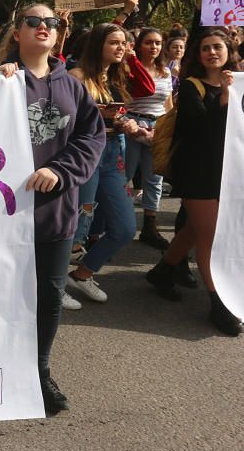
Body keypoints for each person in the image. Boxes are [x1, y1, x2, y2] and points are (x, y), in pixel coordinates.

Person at [0, 4, 105, 415]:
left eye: (50, 23)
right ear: (17, 32)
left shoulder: (73, 87)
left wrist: (60, 170)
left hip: (55, 214)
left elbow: (91, 138)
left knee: (50, 296)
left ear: (59, 34)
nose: (43, 27)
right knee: (0, 295)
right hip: (2, 216)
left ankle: (39, 373)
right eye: (33, 22)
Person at [146, 29, 241, 335]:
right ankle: (218, 303)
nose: (212, 52)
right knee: (209, 238)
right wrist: (225, 97)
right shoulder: (190, 87)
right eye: (205, 49)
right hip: (198, 172)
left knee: (194, 229)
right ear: (198, 56)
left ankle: (162, 272)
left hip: (227, 171)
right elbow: (201, 130)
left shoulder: (238, 83)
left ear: (229, 50)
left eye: (218, 47)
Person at [65, 23, 141, 305]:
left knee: (124, 227)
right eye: (114, 42)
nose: (121, 47)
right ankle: (55, 285)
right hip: (84, 156)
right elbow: (63, 122)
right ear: (98, 45)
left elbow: (122, 111)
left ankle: (82, 275)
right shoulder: (76, 77)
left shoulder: (116, 79)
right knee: (77, 229)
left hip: (113, 155)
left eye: (124, 43)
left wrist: (126, 122)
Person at [124, 28, 174, 250]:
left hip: (157, 128)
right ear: (138, 45)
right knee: (124, 175)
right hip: (132, 126)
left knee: (155, 179)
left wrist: (166, 130)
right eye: (148, 42)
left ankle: (149, 226)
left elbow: (168, 104)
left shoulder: (166, 72)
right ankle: (117, 223)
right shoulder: (127, 68)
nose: (153, 47)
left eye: (157, 43)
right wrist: (131, 126)